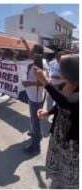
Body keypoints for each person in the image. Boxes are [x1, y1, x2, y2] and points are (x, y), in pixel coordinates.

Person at [35, 54, 79, 189]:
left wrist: (46, 83)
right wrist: (47, 112)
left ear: (68, 72)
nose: (58, 70)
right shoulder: (65, 86)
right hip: (58, 134)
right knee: (57, 168)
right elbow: (60, 103)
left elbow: (68, 103)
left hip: (72, 142)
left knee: (70, 173)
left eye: (61, 68)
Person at [21, 38, 45, 154]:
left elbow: (44, 82)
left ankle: (36, 147)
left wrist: (28, 83)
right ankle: (38, 135)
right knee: (35, 121)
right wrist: (25, 42)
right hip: (34, 96)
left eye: (33, 51)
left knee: (35, 122)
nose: (30, 53)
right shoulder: (38, 61)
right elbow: (29, 52)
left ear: (36, 53)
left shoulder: (38, 65)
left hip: (36, 98)